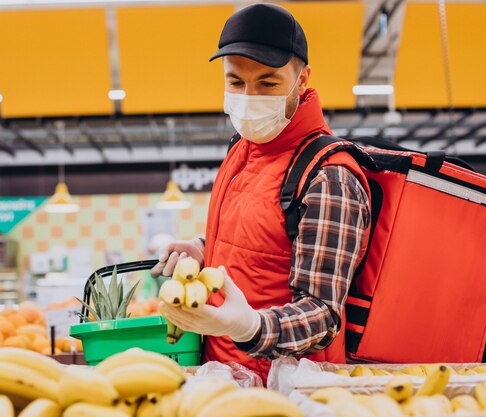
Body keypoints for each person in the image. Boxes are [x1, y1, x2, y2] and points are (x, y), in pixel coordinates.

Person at [151, 3, 371, 383]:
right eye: (236, 83)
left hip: (289, 390)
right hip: (227, 379)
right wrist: (205, 249)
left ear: (302, 80)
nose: (249, 96)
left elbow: (322, 315)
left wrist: (250, 327)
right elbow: (265, 243)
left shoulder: (328, 177)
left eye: (267, 83)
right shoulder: (241, 149)